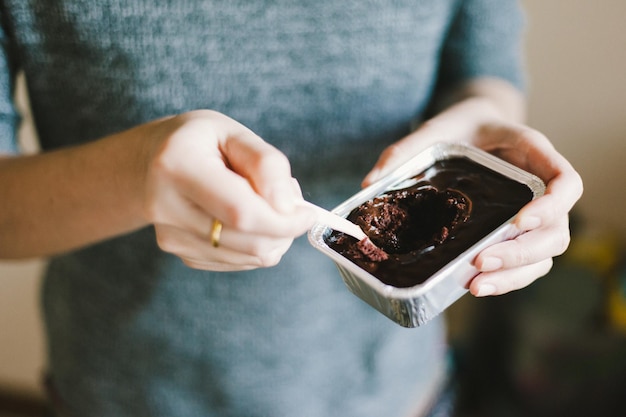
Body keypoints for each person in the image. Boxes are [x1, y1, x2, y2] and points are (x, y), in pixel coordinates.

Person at [0, 1, 582, 416]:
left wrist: (480, 123)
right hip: (126, 388)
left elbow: (485, 71)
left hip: (389, 388)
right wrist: (137, 173)